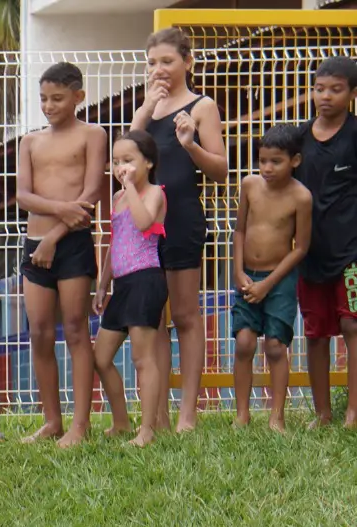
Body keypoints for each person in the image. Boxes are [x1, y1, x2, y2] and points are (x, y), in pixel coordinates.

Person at [130, 27, 228, 433]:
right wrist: (145, 110)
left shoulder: (202, 106)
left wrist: (190, 144)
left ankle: (188, 413)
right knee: (151, 318)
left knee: (186, 317)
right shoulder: (148, 107)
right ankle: (159, 415)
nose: (159, 70)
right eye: (152, 63)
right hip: (146, 222)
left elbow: (221, 170)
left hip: (183, 218)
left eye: (167, 61)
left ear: (187, 61)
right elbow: (127, 159)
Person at [17, 63, 112, 448]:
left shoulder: (93, 134)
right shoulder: (30, 142)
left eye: (57, 98)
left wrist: (55, 235)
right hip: (35, 244)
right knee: (39, 332)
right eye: (43, 99)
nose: (48, 106)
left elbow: (89, 194)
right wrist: (59, 213)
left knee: (75, 330)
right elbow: (23, 195)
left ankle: (80, 424)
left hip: (70, 245)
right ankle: (52, 420)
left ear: (78, 96)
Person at [231, 125, 312, 432]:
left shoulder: (301, 197)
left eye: (275, 161)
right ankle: (242, 414)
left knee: (276, 345)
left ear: (295, 160)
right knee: (244, 342)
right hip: (247, 277)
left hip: (279, 281)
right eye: (262, 160)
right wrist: (239, 271)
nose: (267, 167)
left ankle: (276, 415)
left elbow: (301, 248)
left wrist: (268, 283)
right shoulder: (250, 185)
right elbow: (239, 230)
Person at [93, 131, 168, 447]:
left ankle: (147, 430)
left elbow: (142, 223)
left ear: (148, 163)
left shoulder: (154, 193)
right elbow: (116, 241)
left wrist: (130, 187)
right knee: (101, 356)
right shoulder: (117, 198)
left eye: (128, 160)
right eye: (116, 161)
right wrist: (102, 283)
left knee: (142, 358)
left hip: (145, 281)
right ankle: (121, 421)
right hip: (122, 284)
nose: (120, 167)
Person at [295, 56, 357, 428]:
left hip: (352, 253)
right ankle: (322, 413)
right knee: (315, 333)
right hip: (308, 254)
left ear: (351, 93)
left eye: (335, 89)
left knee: (353, 327)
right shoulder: (299, 139)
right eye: (319, 88)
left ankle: (353, 412)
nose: (325, 96)